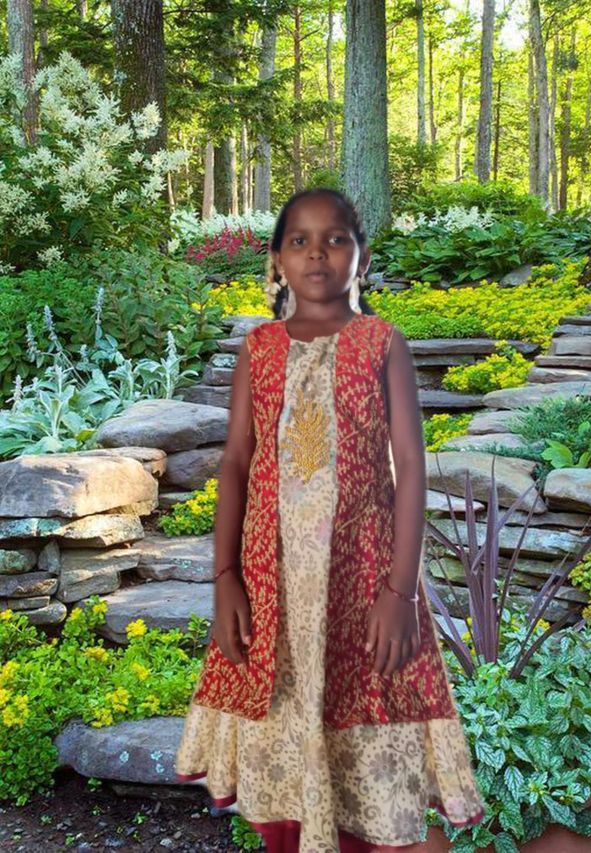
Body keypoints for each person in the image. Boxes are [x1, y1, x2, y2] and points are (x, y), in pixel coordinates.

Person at [174, 188, 485, 852]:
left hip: (362, 581)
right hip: (273, 582)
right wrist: (225, 578)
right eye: (300, 240)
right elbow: (236, 462)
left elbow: (410, 465)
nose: (318, 253)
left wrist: (400, 593)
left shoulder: (382, 343)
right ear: (277, 261)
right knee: (280, 734)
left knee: (367, 735)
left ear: (361, 257)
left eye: (335, 238)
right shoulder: (258, 349)